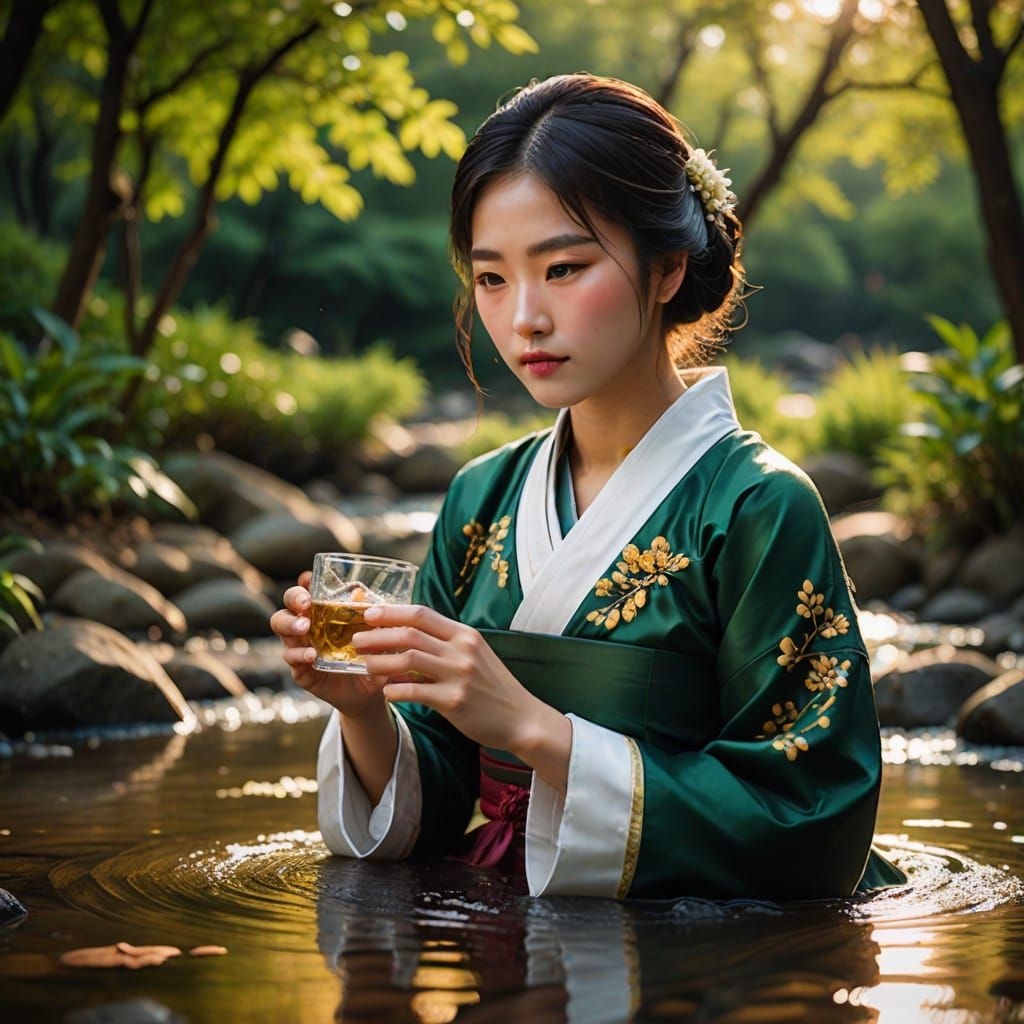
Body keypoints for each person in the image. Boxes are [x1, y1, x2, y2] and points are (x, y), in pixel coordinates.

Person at [271, 72, 907, 900]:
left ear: (669, 266)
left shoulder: (757, 507)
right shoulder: (480, 498)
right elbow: (438, 788)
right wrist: (361, 710)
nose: (524, 316)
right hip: (501, 914)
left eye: (564, 268)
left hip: (702, 960)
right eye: (492, 278)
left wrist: (535, 730)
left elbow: (812, 817)